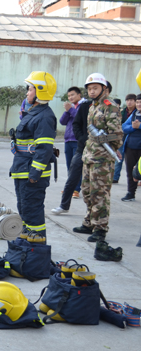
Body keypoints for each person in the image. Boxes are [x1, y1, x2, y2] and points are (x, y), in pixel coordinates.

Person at [72, 74, 122, 243]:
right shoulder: (92, 106)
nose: (91, 91)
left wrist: (101, 138)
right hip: (89, 155)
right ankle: (89, 223)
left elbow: (117, 136)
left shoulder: (110, 107)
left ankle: (100, 228)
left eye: (95, 88)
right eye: (89, 89)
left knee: (99, 194)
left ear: (104, 89)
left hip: (103, 159)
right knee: (86, 191)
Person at [11, 71, 57, 244]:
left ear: (40, 91)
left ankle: (36, 247)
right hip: (22, 169)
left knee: (32, 211)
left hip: (31, 173)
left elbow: (44, 149)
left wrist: (35, 173)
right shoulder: (33, 112)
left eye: (30, 89)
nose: (27, 93)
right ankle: (26, 243)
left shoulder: (44, 116)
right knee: (24, 209)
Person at [58, 87, 85, 198]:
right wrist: (67, 111)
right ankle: (69, 188)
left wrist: (71, 110)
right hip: (68, 140)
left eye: (72, 95)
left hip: (77, 140)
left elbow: (81, 119)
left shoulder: (84, 106)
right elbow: (62, 121)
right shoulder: (72, 107)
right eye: (69, 96)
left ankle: (76, 189)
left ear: (79, 95)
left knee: (76, 166)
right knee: (69, 165)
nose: (70, 97)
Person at [120, 94, 141, 202]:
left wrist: (140, 126)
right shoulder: (134, 114)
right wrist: (133, 127)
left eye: (140, 102)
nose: (139, 104)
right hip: (130, 148)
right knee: (130, 172)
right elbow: (124, 127)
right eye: (137, 102)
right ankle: (131, 193)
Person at [115, 94, 138, 184]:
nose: (129, 102)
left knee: (135, 162)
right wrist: (134, 127)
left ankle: (137, 178)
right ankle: (115, 177)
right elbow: (123, 127)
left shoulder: (137, 112)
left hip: (134, 141)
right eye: (127, 100)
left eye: (131, 100)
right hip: (121, 138)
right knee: (119, 159)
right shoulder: (122, 112)